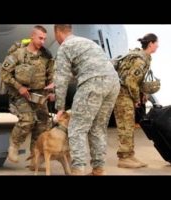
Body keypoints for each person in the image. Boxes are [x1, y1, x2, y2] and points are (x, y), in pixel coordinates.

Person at [53, 24, 120, 175]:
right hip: (113, 83)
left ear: (57, 31)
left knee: (77, 128)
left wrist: (59, 108)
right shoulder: (87, 42)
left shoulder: (65, 46)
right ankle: (98, 169)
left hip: (93, 84)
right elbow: (89, 67)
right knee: (98, 128)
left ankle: (78, 170)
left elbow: (61, 78)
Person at [0, 25, 55, 167]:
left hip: (39, 96)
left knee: (43, 125)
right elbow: (4, 74)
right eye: (40, 38)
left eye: (44, 39)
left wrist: (51, 92)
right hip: (21, 95)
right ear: (32, 36)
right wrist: (19, 87)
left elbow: (51, 76)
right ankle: (14, 146)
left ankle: (35, 158)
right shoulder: (18, 54)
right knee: (27, 120)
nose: (43, 41)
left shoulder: (46, 56)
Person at [114, 33, 159, 168]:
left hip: (126, 93)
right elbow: (130, 81)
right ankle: (124, 158)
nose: (158, 46)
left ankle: (129, 155)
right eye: (156, 43)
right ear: (151, 43)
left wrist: (142, 93)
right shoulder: (140, 60)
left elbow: (137, 81)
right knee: (125, 126)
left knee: (129, 126)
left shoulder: (144, 57)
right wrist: (135, 98)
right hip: (123, 94)